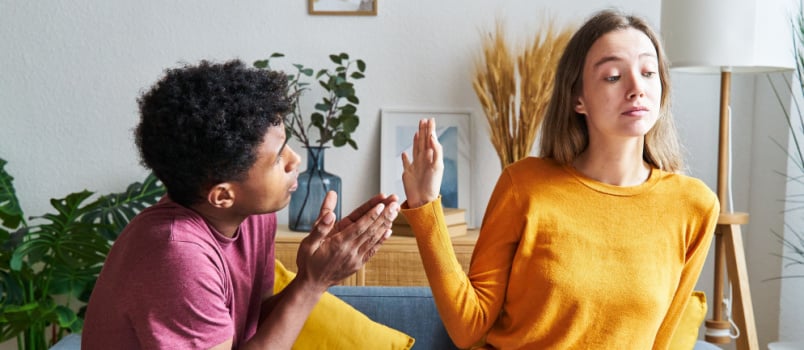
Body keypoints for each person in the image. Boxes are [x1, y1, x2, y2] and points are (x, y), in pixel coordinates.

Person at [399, 9, 719, 350]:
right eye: (613, 76)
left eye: (648, 72)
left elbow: (663, 340)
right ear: (578, 98)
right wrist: (425, 204)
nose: (636, 88)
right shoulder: (524, 186)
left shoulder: (693, 206)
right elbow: (469, 327)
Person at [82, 60, 400, 349]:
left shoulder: (252, 217)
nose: (295, 160)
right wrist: (314, 283)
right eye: (277, 158)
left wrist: (310, 275)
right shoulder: (177, 254)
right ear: (223, 195)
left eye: (286, 145)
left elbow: (253, 329)